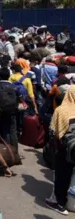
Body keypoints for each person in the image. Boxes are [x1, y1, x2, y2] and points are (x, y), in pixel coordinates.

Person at [45, 85, 75, 215]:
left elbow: (54, 132)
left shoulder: (61, 110)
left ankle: (60, 203)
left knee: (63, 175)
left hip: (65, 148)